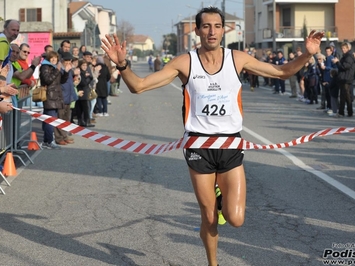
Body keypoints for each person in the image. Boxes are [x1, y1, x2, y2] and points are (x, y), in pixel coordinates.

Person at [101, 6, 323, 266]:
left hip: (230, 144)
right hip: (198, 146)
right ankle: (213, 263)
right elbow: (139, 87)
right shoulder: (185, 62)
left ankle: (220, 197)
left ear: (224, 30)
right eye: (206, 26)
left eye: (217, 26)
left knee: (236, 219)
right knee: (208, 217)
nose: (212, 31)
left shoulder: (237, 59)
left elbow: (281, 72)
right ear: (197, 31)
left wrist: (307, 55)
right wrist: (123, 64)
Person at [39, 51, 69, 149]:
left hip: (56, 97)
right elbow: (47, 80)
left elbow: (62, 81)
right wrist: (57, 70)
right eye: (51, 58)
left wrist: (66, 72)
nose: (53, 60)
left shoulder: (55, 67)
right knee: (50, 121)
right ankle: (49, 141)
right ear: (48, 58)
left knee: (51, 120)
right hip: (50, 97)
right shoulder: (45, 67)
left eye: (55, 58)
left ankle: (46, 141)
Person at [332, 42, 355, 117]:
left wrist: (337, 62)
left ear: (348, 48)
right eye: (342, 48)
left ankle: (349, 112)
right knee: (343, 96)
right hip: (343, 78)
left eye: (344, 48)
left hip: (346, 78)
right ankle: (341, 112)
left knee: (347, 95)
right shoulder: (345, 56)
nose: (343, 50)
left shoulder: (349, 57)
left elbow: (344, 67)